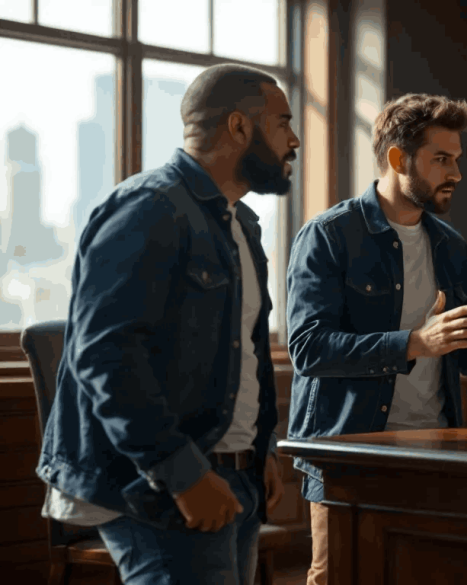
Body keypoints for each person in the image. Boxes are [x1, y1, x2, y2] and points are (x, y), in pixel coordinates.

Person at [35, 63, 300, 584]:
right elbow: (105, 355)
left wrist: (260, 450)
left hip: (236, 478)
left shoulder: (241, 224)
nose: (293, 141)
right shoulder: (149, 207)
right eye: (283, 123)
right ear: (239, 127)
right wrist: (183, 475)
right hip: (159, 487)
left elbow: (243, 353)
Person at [287, 93, 467, 585]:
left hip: (434, 451)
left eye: (456, 159)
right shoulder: (328, 235)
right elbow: (309, 348)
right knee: (337, 578)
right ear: (398, 159)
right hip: (349, 455)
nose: (455, 172)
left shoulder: (451, 246)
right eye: (441, 159)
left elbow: (458, 358)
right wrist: (414, 343)